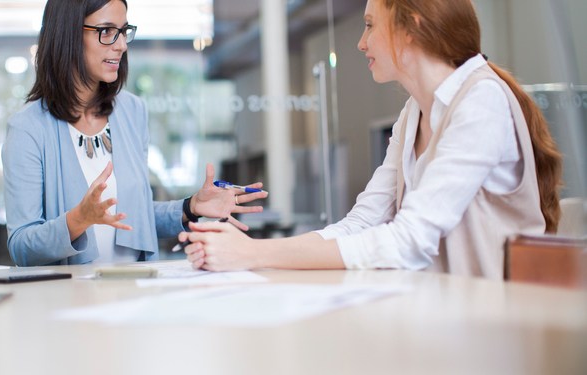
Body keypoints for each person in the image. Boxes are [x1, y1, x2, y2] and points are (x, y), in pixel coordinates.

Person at [180, 0, 562, 279]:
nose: (361, 43)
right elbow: (362, 223)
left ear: (409, 28)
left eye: (369, 25)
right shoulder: (414, 112)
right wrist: (244, 252)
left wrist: (253, 253)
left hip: (498, 326)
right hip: (444, 313)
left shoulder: (482, 100)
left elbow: (410, 240)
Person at [2, 0, 267, 266]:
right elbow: (21, 247)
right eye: (106, 31)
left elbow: (136, 217)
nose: (121, 45)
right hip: (72, 300)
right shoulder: (28, 128)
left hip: (135, 291)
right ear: (67, 34)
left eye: (123, 31)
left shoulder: (131, 111)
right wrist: (78, 220)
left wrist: (190, 207)